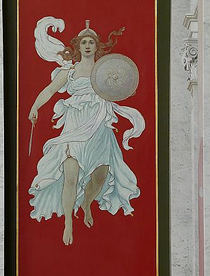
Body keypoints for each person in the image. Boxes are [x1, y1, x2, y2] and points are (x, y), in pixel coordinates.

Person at [28, 22, 144, 246]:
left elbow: (121, 88)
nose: (88, 45)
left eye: (91, 42)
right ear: (77, 46)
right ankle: (68, 223)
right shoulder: (69, 71)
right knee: (70, 176)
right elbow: (50, 90)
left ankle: (87, 203)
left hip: (99, 127)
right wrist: (35, 106)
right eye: (84, 42)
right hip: (74, 128)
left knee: (100, 177)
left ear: (97, 46)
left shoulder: (105, 69)